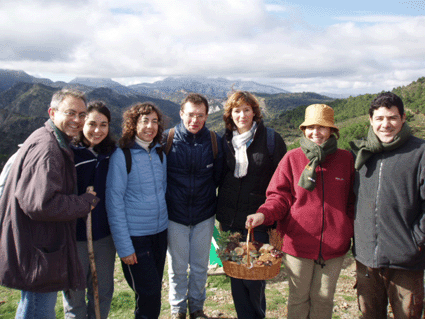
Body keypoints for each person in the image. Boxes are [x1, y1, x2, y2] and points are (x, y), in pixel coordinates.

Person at [247, 104, 355, 319]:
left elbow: (353, 200)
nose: (316, 132)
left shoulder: (346, 160)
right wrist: (263, 214)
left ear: (332, 130)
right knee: (298, 298)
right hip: (297, 244)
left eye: (322, 127)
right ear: (304, 130)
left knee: (324, 299)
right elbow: (279, 197)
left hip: (334, 246)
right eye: (311, 127)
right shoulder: (292, 158)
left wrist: (346, 228)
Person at [0, 88, 99, 319]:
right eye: (70, 113)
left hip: (36, 243)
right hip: (39, 247)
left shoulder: (50, 140)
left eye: (82, 114)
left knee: (32, 305)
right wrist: (83, 203)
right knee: (38, 308)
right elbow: (41, 204)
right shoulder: (48, 149)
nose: (77, 120)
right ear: (52, 113)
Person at [349, 92, 425, 318]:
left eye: (392, 118)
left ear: (403, 118)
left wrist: (416, 240)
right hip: (366, 259)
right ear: (371, 120)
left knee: (408, 315)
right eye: (380, 118)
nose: (386, 124)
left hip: (405, 260)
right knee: (370, 314)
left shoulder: (420, 152)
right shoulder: (363, 153)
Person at [216, 91, 286, 319]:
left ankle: (255, 315)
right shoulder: (223, 142)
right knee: (236, 277)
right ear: (230, 114)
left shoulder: (272, 140)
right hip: (230, 221)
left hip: (259, 221)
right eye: (237, 110)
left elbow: (282, 182)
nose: (242, 115)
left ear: (255, 112)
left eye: (247, 110)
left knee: (255, 279)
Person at [106, 102, 168, 319]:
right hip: (136, 237)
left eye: (154, 121)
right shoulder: (122, 156)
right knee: (149, 293)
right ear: (133, 124)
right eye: (144, 121)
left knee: (152, 291)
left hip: (160, 233)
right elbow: (114, 203)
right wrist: (124, 246)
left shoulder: (160, 154)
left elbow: (163, 191)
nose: (150, 126)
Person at [165, 93, 223, 319]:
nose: (194, 120)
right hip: (175, 215)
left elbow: (217, 177)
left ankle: (197, 309)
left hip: (204, 215)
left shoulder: (214, 141)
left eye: (200, 115)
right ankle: (177, 310)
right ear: (181, 114)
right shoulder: (166, 140)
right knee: (177, 269)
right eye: (190, 115)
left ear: (207, 115)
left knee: (200, 268)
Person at [62, 101, 117, 319]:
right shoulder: (69, 155)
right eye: (92, 123)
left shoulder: (113, 154)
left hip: (104, 237)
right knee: (74, 294)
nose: (97, 130)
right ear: (83, 122)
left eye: (103, 125)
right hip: (74, 238)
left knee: (102, 292)